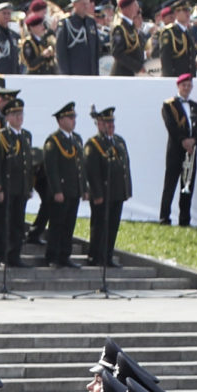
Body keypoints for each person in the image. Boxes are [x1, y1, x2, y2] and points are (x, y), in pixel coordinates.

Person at [82, 103, 131, 268]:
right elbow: (91, 171)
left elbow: (125, 165)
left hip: (117, 192)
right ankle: (95, 256)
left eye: (112, 122)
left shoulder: (119, 141)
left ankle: (108, 256)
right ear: (99, 124)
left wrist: (126, 189)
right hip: (102, 192)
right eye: (106, 123)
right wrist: (96, 193)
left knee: (112, 226)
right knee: (100, 225)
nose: (110, 126)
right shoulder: (93, 144)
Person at [158, 72, 197, 227]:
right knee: (170, 185)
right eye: (184, 85)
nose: (186, 88)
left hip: (190, 151)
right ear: (178, 86)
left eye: (189, 85)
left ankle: (184, 219)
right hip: (175, 150)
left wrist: (194, 140)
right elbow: (171, 125)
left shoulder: (195, 106)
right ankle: (164, 218)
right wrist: (183, 141)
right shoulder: (169, 104)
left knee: (187, 186)